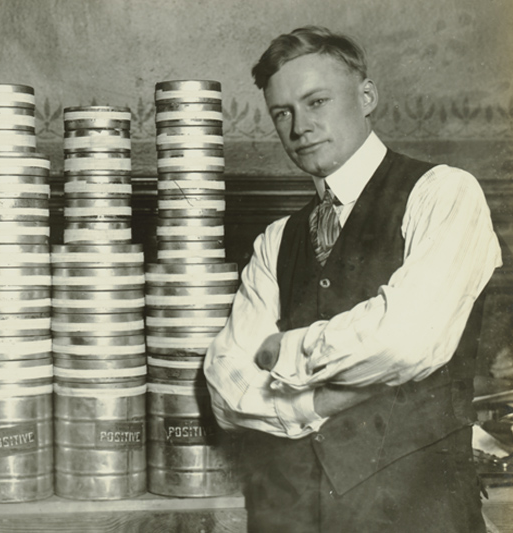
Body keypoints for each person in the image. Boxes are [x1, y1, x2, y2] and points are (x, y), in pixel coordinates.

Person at [203, 26, 503, 532]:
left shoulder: (443, 193)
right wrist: (320, 401)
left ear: (367, 97)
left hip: (419, 517)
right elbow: (226, 390)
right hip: (292, 517)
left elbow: (406, 341)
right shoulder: (277, 239)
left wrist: (285, 352)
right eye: (283, 113)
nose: (300, 126)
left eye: (316, 101)